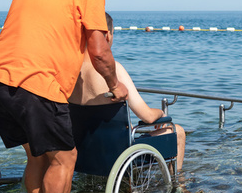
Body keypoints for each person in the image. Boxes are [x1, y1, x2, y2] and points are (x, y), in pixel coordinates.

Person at [0, 0, 129, 193]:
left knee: (37, 157)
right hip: (38, 83)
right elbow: (99, 52)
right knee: (65, 158)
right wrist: (115, 85)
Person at [69, 13, 186, 172]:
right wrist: (160, 113)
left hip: (84, 156)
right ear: (108, 35)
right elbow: (147, 116)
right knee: (177, 131)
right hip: (120, 157)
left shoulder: (69, 70)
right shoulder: (114, 70)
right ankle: (178, 187)